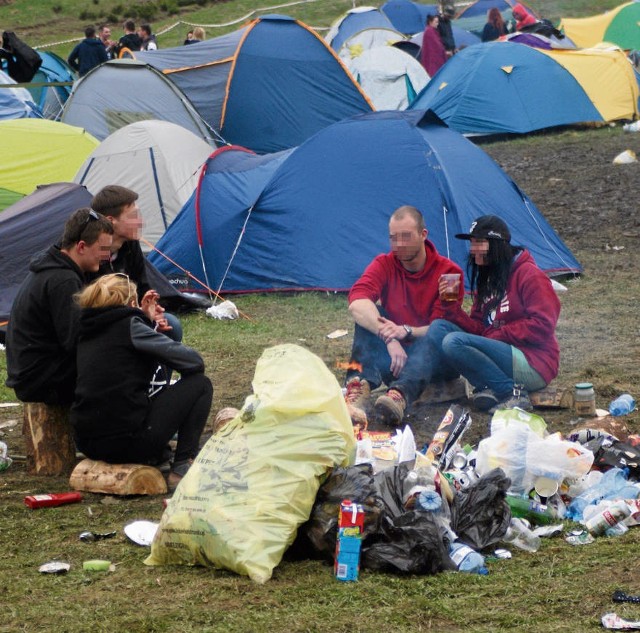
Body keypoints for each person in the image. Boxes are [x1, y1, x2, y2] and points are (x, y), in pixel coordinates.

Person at [71, 274, 213, 490]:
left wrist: (146, 324)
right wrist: (147, 327)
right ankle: (183, 465)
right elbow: (193, 363)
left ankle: (158, 454)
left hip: (88, 442)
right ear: (130, 304)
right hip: (126, 442)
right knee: (200, 384)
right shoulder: (130, 325)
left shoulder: (86, 329)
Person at [415, 215, 561, 413]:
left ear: (496, 245)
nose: (473, 249)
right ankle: (488, 387)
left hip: (534, 362)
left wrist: (498, 334)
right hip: (501, 353)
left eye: (479, 243)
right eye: (472, 243)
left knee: (453, 342)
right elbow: (479, 328)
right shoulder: (490, 278)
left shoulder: (529, 275)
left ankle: (511, 394)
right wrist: (451, 311)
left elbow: (543, 325)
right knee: (439, 328)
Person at [345, 205, 464, 426]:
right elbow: (357, 302)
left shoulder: (450, 273)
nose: (399, 245)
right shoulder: (385, 263)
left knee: (437, 331)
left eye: (406, 237)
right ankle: (358, 387)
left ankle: (399, 395)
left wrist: (406, 331)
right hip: (397, 359)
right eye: (394, 238)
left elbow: (444, 325)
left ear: (423, 235)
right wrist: (388, 337)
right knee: (370, 314)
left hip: (437, 361)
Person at [5, 209, 113, 405]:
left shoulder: (56, 267)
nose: (106, 257)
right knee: (119, 359)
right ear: (81, 246)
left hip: (36, 371)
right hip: (41, 380)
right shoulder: (63, 280)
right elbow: (77, 339)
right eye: (103, 249)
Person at [90, 185, 182, 346]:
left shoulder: (130, 245)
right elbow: (98, 309)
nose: (140, 222)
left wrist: (152, 307)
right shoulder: (92, 255)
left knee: (171, 325)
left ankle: (156, 372)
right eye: (133, 216)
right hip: (103, 326)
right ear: (111, 221)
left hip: (132, 315)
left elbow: (142, 287)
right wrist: (140, 314)